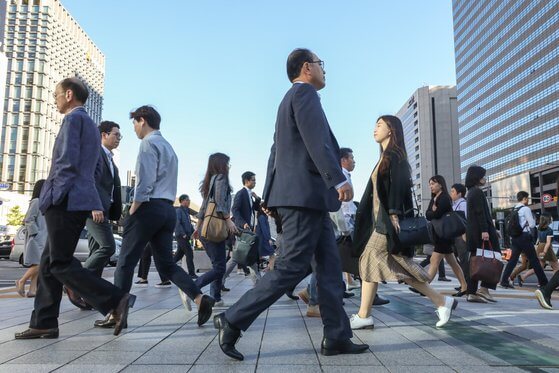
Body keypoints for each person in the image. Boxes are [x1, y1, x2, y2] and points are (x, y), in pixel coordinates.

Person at [213, 48, 368, 361]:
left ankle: (336, 336)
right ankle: (232, 320)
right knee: (292, 266)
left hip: (304, 199)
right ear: (307, 67)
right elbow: (317, 141)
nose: (325, 70)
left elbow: (275, 153)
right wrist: (338, 179)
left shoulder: (287, 101)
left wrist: (270, 196)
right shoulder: (305, 95)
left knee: (329, 267)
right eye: (321, 64)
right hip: (304, 198)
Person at [15, 78, 134, 339]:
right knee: (48, 263)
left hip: (65, 200)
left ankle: (116, 300)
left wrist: (51, 195)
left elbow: (65, 164)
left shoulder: (72, 120)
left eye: (56, 94)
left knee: (58, 262)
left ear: (69, 95)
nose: (54, 99)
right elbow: (95, 169)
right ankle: (44, 322)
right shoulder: (90, 125)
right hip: (77, 199)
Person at [98, 105, 214, 329]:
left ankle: (116, 313)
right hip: (167, 209)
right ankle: (200, 299)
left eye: (134, 123)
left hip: (148, 207)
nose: (133, 129)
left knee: (126, 262)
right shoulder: (169, 147)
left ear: (142, 120)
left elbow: (145, 181)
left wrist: (133, 209)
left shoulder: (148, 144)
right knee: (167, 265)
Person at [350, 115, 457, 331]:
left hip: (387, 222)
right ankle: (441, 301)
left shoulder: (396, 157)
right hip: (379, 221)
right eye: (375, 124)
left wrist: (393, 213)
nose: (375, 128)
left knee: (370, 259)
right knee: (387, 264)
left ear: (391, 130)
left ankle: (364, 316)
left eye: (379, 125)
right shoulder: (384, 157)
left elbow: (399, 185)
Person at [66, 120, 123, 310]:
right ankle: (75, 283)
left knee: (95, 250)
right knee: (108, 247)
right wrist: (94, 206)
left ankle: (90, 296)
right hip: (94, 210)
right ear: (104, 135)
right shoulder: (96, 152)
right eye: (116, 134)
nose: (119, 139)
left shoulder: (110, 158)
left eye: (119, 136)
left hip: (103, 209)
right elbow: (88, 179)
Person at [193, 153, 238, 307]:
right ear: (220, 164)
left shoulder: (210, 181)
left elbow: (203, 207)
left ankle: (216, 297)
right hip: (215, 229)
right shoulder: (221, 179)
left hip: (207, 228)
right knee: (220, 268)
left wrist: (198, 227)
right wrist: (228, 220)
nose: (228, 167)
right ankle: (192, 288)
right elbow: (219, 202)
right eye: (227, 164)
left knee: (218, 265)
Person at [424, 175, 468, 297]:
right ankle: (464, 286)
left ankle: (424, 287)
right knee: (453, 262)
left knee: (434, 260)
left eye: (433, 183)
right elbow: (428, 214)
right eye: (430, 184)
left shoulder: (444, 198)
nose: (431, 186)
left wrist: (433, 211)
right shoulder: (434, 198)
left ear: (440, 184)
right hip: (439, 233)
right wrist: (433, 211)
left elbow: (437, 214)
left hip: (445, 234)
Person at [464, 165, 501, 303]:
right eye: (483, 176)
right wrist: (486, 231)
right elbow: (481, 214)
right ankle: (484, 289)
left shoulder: (471, 193)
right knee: (494, 257)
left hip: (474, 233)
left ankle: (471, 292)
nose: (484, 179)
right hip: (481, 233)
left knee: (476, 261)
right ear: (477, 178)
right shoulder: (477, 192)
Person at [500, 191, 548, 289]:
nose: (528, 200)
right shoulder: (525, 209)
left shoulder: (515, 209)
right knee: (534, 259)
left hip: (515, 237)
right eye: (527, 198)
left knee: (513, 260)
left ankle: (504, 280)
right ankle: (544, 282)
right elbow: (532, 225)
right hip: (524, 236)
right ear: (525, 198)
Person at [222, 171, 261, 288]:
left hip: (247, 229)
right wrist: (243, 223)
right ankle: (258, 283)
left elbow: (256, 208)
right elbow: (235, 210)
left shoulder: (249, 194)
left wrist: (257, 198)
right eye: (253, 180)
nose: (255, 182)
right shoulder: (241, 193)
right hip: (242, 230)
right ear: (247, 181)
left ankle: (258, 282)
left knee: (246, 255)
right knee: (237, 257)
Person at [15, 179, 47, 298]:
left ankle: (32, 290)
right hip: (37, 239)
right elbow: (28, 219)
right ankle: (22, 281)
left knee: (38, 264)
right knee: (40, 264)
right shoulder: (36, 201)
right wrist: (36, 233)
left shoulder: (43, 202)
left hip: (42, 238)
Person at [517, 214, 558, 283]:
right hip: (546, 249)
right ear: (547, 219)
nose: (552, 218)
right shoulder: (549, 230)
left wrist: (537, 248)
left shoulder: (539, 228)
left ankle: (523, 276)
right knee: (556, 267)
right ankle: (555, 284)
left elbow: (538, 240)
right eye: (551, 217)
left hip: (540, 247)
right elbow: (548, 243)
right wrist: (544, 252)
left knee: (540, 266)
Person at [450, 183, 469, 287]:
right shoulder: (455, 204)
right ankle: (463, 282)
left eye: (453, 191)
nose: (451, 193)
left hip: (461, 236)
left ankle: (466, 283)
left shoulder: (463, 204)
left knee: (464, 259)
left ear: (460, 194)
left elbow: (466, 221)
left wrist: (465, 234)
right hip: (455, 236)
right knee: (456, 259)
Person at [174, 194, 197, 278]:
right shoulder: (179, 211)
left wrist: (194, 232)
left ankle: (166, 269)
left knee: (178, 255)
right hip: (181, 236)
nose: (189, 201)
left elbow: (189, 224)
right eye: (187, 200)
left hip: (186, 236)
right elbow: (177, 223)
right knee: (189, 253)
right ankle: (191, 274)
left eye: (189, 200)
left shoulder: (186, 211)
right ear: (182, 201)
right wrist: (183, 234)